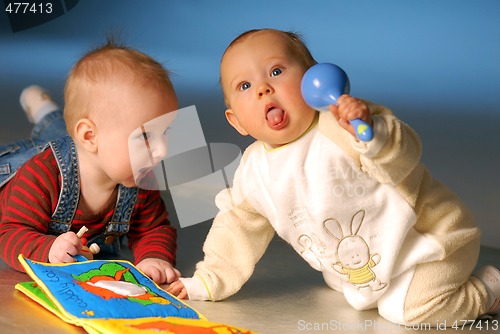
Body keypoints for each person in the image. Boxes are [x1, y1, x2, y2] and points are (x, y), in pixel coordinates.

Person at [167, 28, 500, 325]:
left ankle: (486, 289)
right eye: (245, 85)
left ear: (314, 81)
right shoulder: (254, 171)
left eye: (277, 71)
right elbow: (237, 228)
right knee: (344, 283)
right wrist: (209, 279)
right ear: (237, 122)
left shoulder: (340, 124)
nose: (264, 89)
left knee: (406, 311)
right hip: (366, 262)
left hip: (430, 240)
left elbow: (404, 156)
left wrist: (371, 135)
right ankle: (378, 283)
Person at [0, 41, 180, 285]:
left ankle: (45, 110)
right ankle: (43, 109)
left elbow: (154, 228)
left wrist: (154, 257)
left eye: (166, 132)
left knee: (63, 134)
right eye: (146, 136)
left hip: (84, 150)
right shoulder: (41, 176)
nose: (163, 150)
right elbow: (10, 233)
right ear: (90, 136)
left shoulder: (138, 179)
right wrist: (48, 248)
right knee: (57, 141)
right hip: (16, 170)